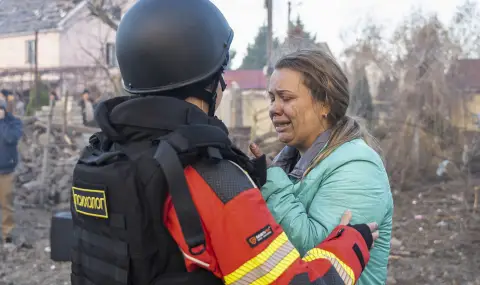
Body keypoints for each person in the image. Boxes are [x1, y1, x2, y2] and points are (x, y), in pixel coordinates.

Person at [69, 1, 379, 285]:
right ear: (208, 82)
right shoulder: (214, 179)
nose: (224, 83)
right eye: (221, 73)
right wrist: (349, 245)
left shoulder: (100, 158)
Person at [249, 49, 394, 285]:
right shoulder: (290, 163)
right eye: (272, 98)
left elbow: (318, 257)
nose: (274, 108)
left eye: (286, 98)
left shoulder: (358, 167)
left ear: (324, 104)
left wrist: (270, 182)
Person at [0, 99, 23, 245]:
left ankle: (7, 234)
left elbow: (11, 138)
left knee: (6, 203)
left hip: (6, 170)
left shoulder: (14, 123)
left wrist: (2, 122)